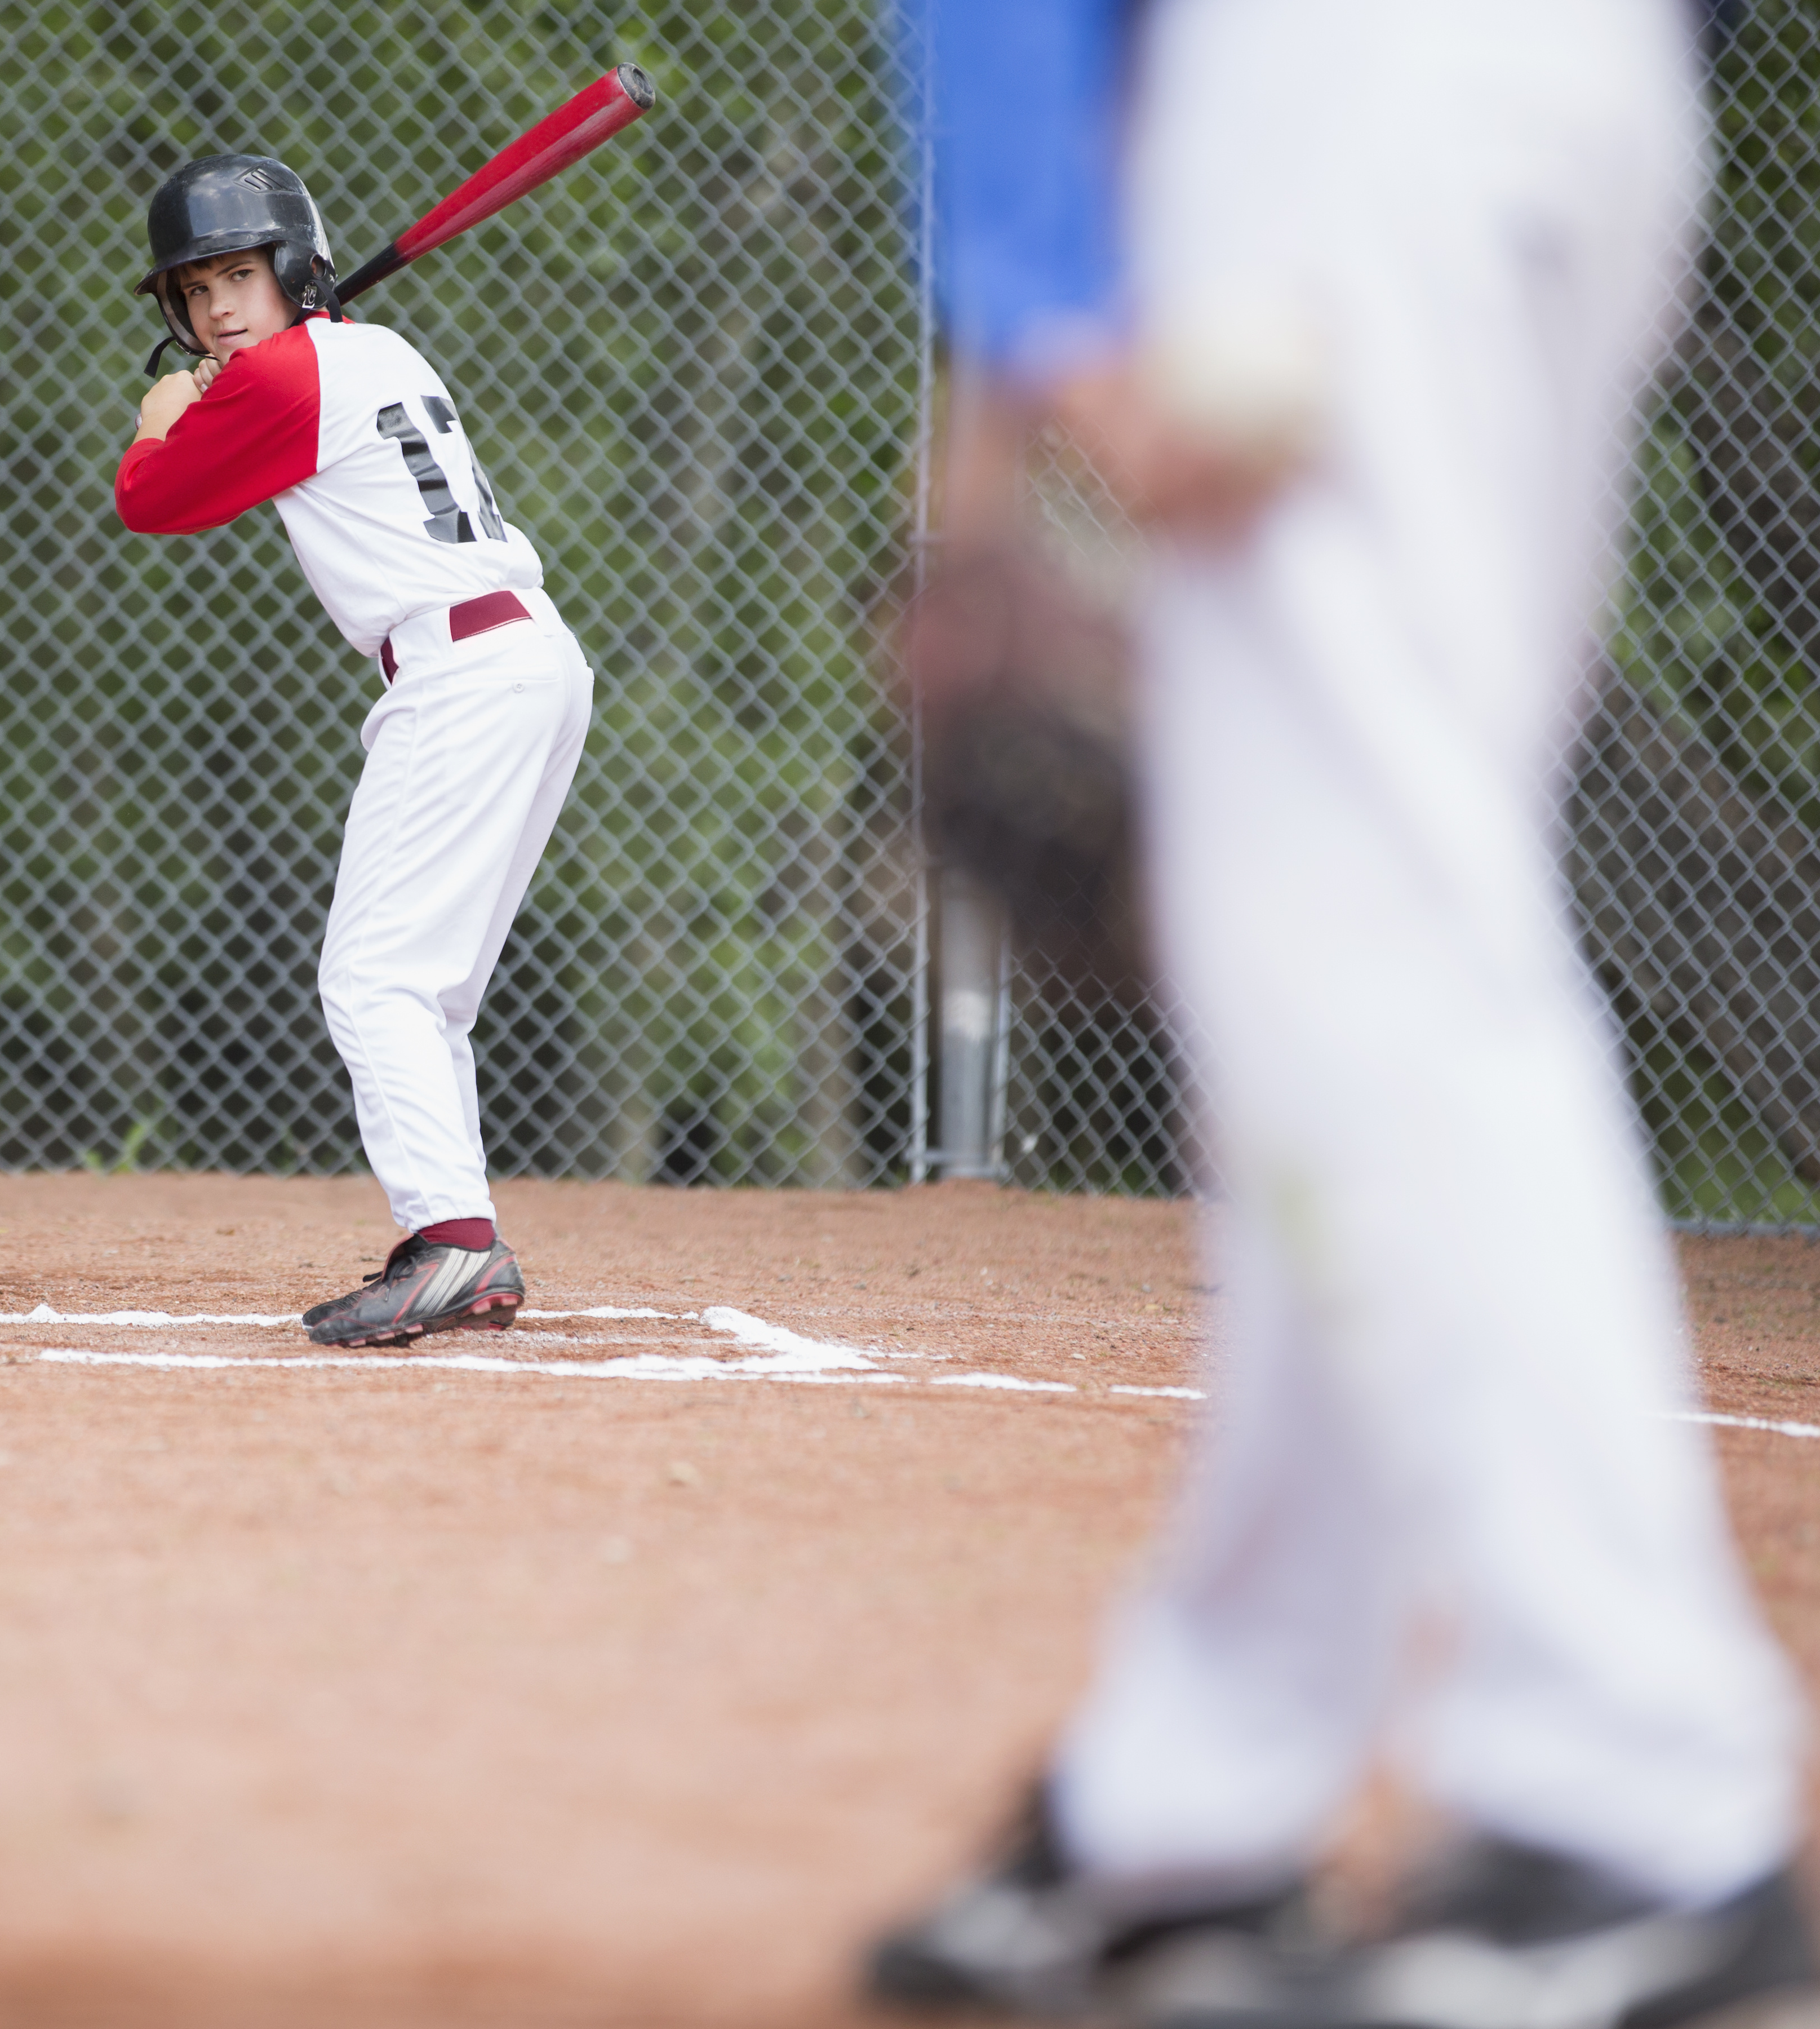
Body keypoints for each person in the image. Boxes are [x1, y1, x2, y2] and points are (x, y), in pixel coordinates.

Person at [864, 2, 1814, 2025]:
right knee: (1335, 999)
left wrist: (1024, 329)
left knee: (1370, 955)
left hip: (1335, 95)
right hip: (1573, 83)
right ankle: (1195, 1795)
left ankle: (1631, 1802)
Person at [112, 154, 592, 1349]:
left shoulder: (282, 377)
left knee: (374, 978)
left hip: (463, 675)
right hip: (529, 661)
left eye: (241, 274)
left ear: (293, 272)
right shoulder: (375, 354)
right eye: (195, 288)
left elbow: (152, 499)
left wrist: (159, 415)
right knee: (425, 993)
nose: (219, 307)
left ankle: (454, 1245)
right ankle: (459, 1234)